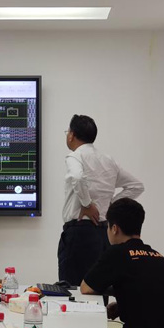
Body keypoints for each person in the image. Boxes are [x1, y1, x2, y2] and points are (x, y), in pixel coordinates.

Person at [80, 198, 164, 328]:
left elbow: (86, 288)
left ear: (114, 228)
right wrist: (123, 304)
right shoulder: (158, 257)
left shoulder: (117, 253)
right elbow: (151, 294)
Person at [59, 114, 144, 286]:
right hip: (104, 234)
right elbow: (136, 186)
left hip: (78, 233)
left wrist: (87, 204)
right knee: (99, 287)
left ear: (71, 135)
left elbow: (77, 177)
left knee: (73, 288)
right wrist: (111, 204)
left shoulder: (75, 156)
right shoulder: (108, 160)